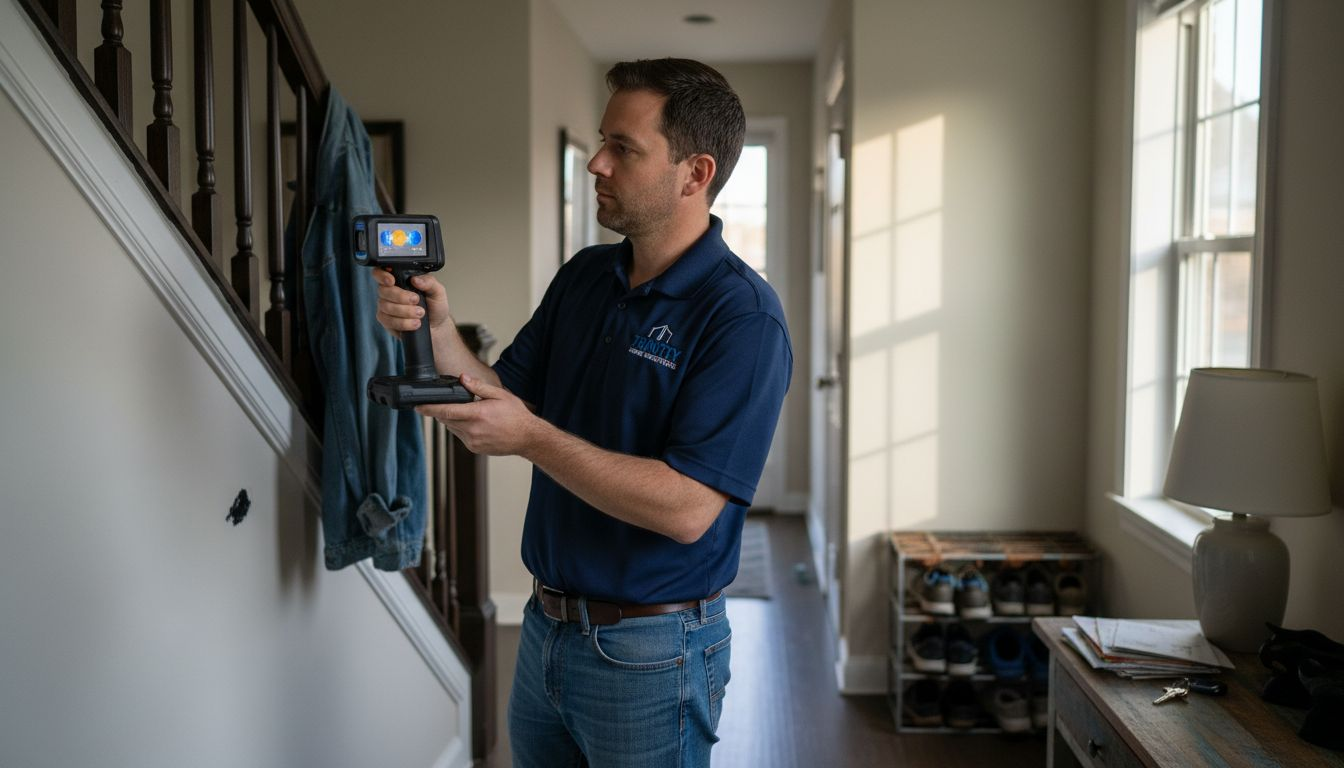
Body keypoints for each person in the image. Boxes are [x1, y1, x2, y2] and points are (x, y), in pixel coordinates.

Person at [373, 58, 792, 767]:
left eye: (623, 148)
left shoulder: (743, 318)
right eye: (604, 141)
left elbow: (689, 508)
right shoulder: (584, 277)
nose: (597, 162)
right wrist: (437, 334)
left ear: (695, 173)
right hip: (545, 632)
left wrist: (531, 438)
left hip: (652, 654)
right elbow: (502, 395)